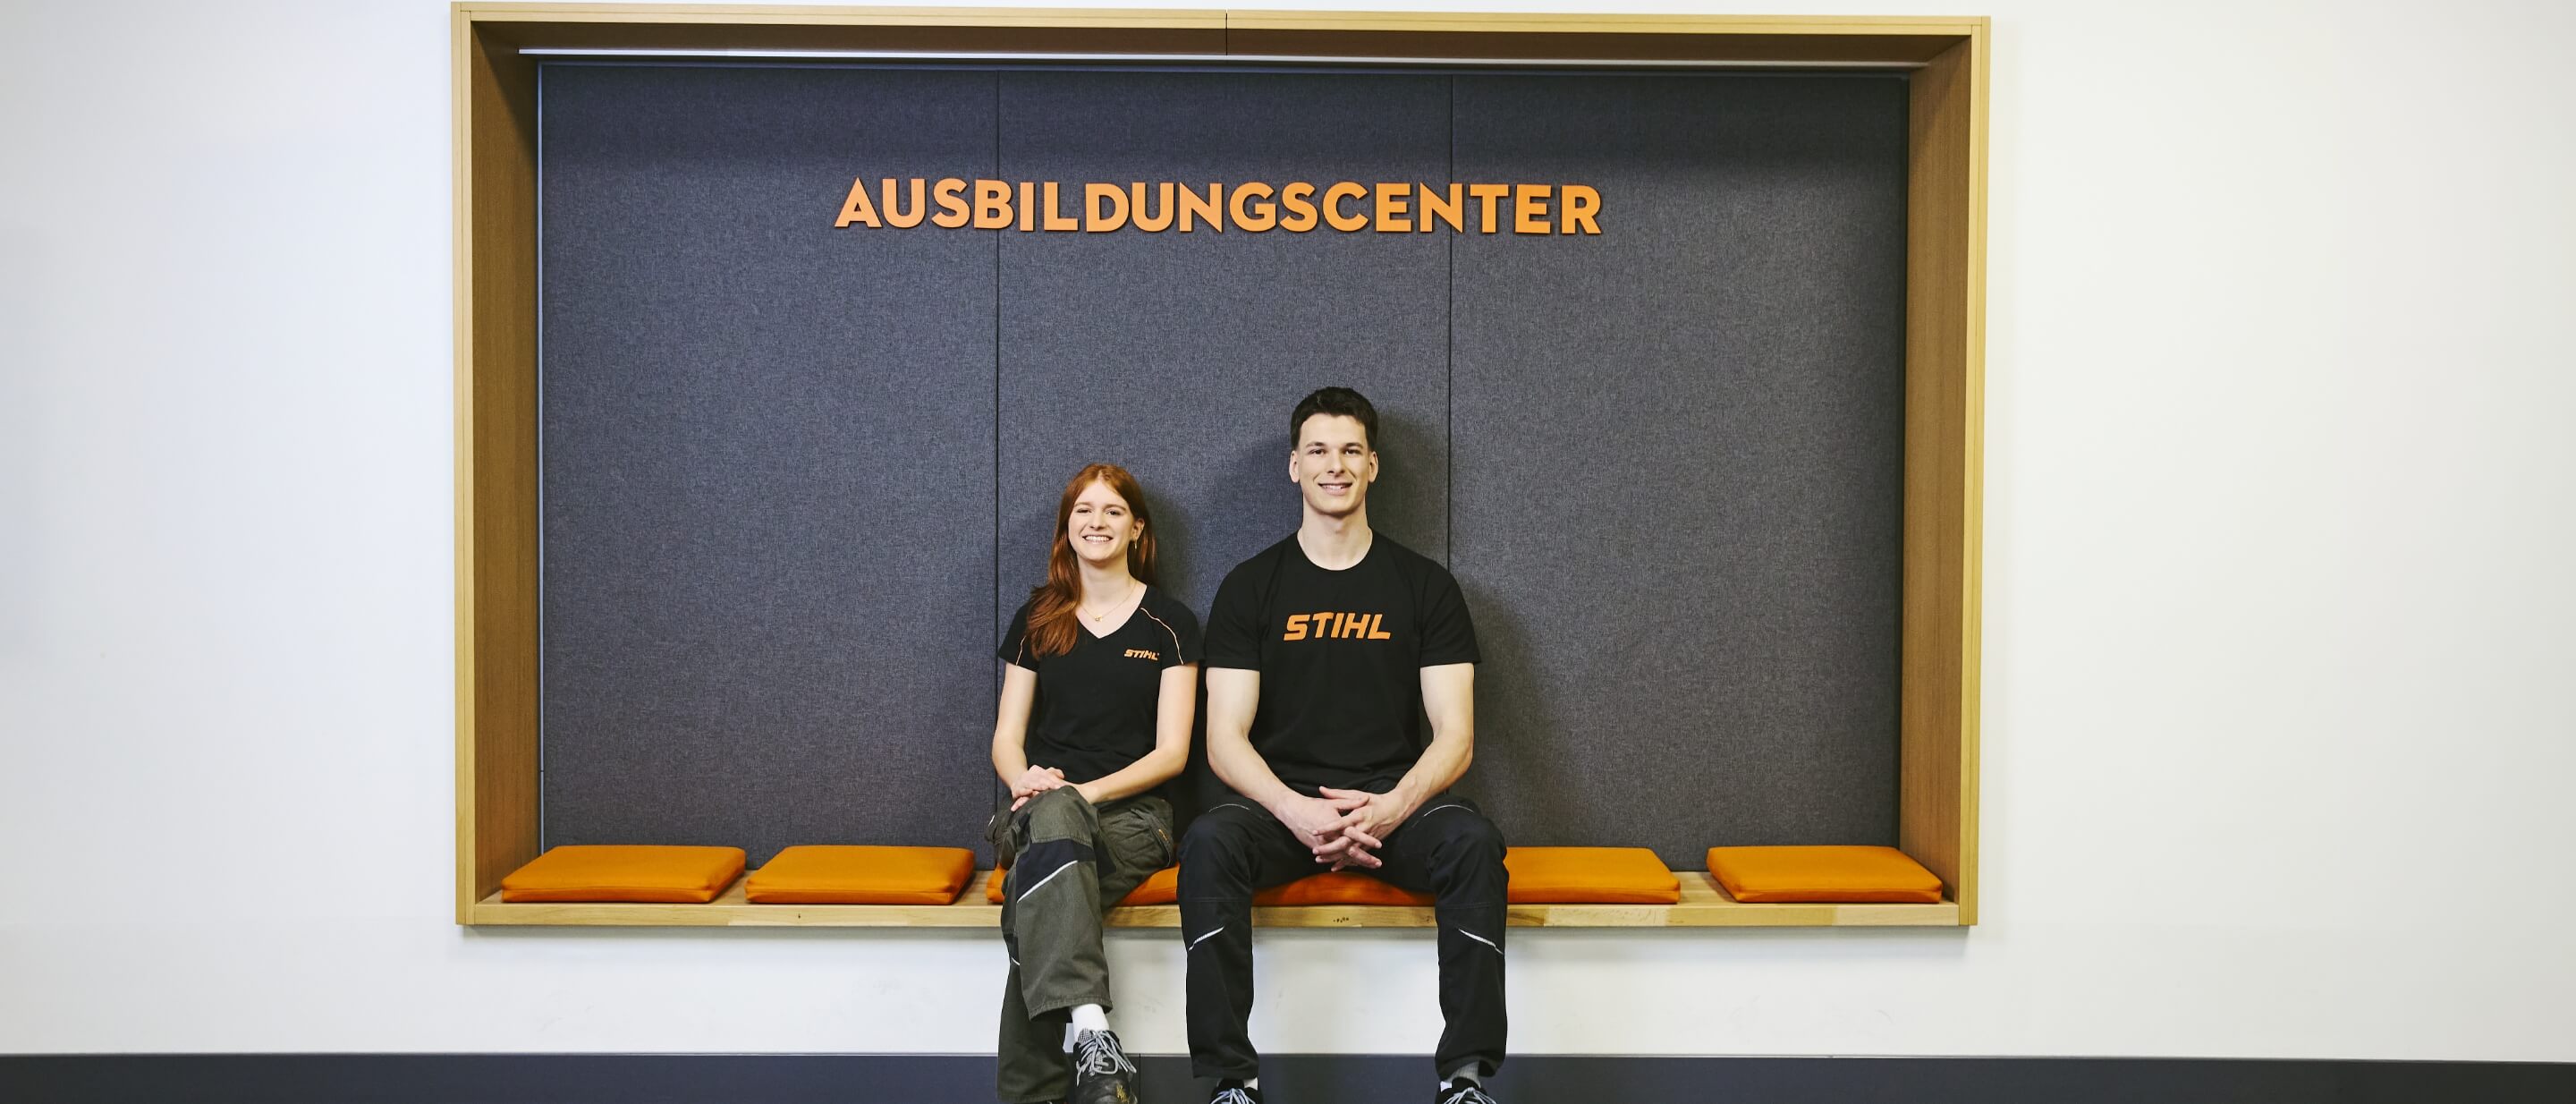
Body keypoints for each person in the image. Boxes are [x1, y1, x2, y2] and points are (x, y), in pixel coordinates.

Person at [1179, 387, 1506, 1104]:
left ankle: (1465, 1079)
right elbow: (1224, 741)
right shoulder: (1251, 587)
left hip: (1393, 803)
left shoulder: (1425, 587)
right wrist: (1296, 811)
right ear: (1294, 467)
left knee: (1475, 846)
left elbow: (1456, 737)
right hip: (1280, 809)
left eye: (1351, 451)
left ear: (1374, 467)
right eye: (1320, 451)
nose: (1336, 466)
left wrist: (1390, 808)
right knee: (1207, 844)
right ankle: (1233, 1081)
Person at [992, 463, 1201, 1104]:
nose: (1097, 523)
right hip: (1035, 809)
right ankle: (1091, 1032)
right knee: (1054, 824)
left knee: (1038, 901)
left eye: (1113, 511)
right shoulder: (1038, 617)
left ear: (1136, 527)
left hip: (1136, 820)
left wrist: (1084, 793)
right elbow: (1006, 737)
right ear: (1067, 528)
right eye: (1084, 511)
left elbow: (1172, 753)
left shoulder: (1171, 623)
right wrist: (1025, 779)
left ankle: (1043, 1085)